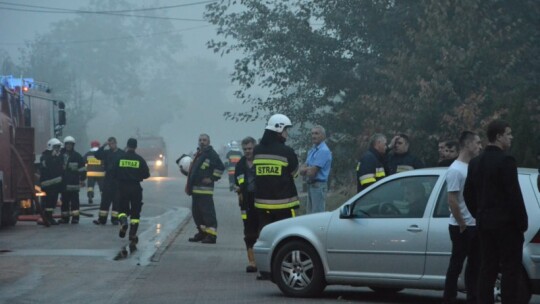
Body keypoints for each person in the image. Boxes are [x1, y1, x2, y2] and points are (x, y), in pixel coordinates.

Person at [464, 119, 528, 304]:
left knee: (487, 268)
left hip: (484, 223)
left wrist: (479, 213)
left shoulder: (475, 163)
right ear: (498, 137)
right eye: (508, 134)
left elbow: (468, 193)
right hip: (506, 225)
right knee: (510, 268)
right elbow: (513, 194)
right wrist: (522, 222)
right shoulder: (506, 161)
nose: (511, 137)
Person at [442, 131, 482, 304]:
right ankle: (449, 296)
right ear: (467, 144)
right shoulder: (455, 170)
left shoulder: (472, 166)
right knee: (457, 263)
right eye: (477, 143)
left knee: (475, 264)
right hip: (462, 225)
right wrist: (462, 223)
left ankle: (473, 296)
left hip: (475, 224)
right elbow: (452, 199)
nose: (480, 146)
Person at [253, 114, 300, 230]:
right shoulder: (287, 151)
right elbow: (295, 174)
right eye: (286, 130)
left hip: (262, 204)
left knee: (265, 234)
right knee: (286, 234)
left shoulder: (257, 150)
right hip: (283, 204)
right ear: (279, 129)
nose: (287, 133)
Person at [185, 134, 225, 244]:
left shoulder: (211, 154)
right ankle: (202, 233)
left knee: (207, 213)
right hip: (195, 190)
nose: (202, 142)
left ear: (209, 142)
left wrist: (212, 178)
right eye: (200, 140)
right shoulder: (199, 154)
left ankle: (211, 236)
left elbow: (221, 167)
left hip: (205, 190)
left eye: (204, 140)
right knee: (197, 214)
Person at [112, 138, 150, 246]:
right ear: (136, 146)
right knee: (135, 212)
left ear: (127, 145)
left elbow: (113, 172)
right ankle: (132, 234)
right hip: (135, 188)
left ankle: (123, 222)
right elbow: (147, 174)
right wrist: (137, 175)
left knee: (122, 209)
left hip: (122, 187)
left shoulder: (120, 158)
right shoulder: (140, 159)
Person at [234, 136, 259, 272]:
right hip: (246, 204)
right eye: (245, 149)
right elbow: (237, 181)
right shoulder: (240, 164)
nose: (247, 151)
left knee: (262, 231)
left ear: (255, 147)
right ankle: (252, 262)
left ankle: (263, 261)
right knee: (249, 232)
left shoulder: (261, 162)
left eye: (250, 148)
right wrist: (239, 189)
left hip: (261, 201)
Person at [299, 125, 332, 213]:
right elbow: (301, 169)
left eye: (316, 133)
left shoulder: (324, 151)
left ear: (323, 136)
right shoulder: (313, 150)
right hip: (311, 186)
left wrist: (305, 169)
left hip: (318, 187)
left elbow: (312, 173)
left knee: (317, 215)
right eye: (312, 133)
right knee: (309, 215)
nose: (313, 136)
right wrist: (307, 169)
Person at [93, 137, 124, 225]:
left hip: (118, 180)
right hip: (108, 180)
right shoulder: (106, 153)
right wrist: (103, 145)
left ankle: (115, 219)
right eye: (110, 144)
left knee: (117, 200)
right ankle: (102, 219)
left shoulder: (122, 153)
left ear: (116, 143)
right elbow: (97, 155)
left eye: (113, 143)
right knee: (105, 200)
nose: (111, 145)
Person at [58, 136, 86, 224]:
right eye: (67, 144)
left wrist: (82, 179)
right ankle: (65, 218)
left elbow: (82, 169)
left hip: (74, 183)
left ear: (73, 145)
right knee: (64, 201)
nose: (69, 146)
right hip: (64, 183)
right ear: (65, 145)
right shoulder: (60, 156)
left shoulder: (77, 156)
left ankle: (75, 218)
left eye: (70, 144)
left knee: (75, 202)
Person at [39, 138, 64, 226]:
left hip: (55, 185)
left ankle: (50, 218)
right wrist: (52, 157)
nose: (57, 149)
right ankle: (47, 218)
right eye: (55, 147)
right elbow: (47, 167)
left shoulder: (57, 157)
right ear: (50, 147)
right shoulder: (45, 157)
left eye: (58, 147)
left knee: (53, 202)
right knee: (48, 203)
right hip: (47, 185)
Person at [84, 140, 105, 204]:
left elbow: (84, 162)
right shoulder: (102, 153)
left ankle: (90, 197)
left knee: (90, 187)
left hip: (90, 173)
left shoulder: (88, 154)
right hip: (100, 173)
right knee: (102, 187)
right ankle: (103, 198)